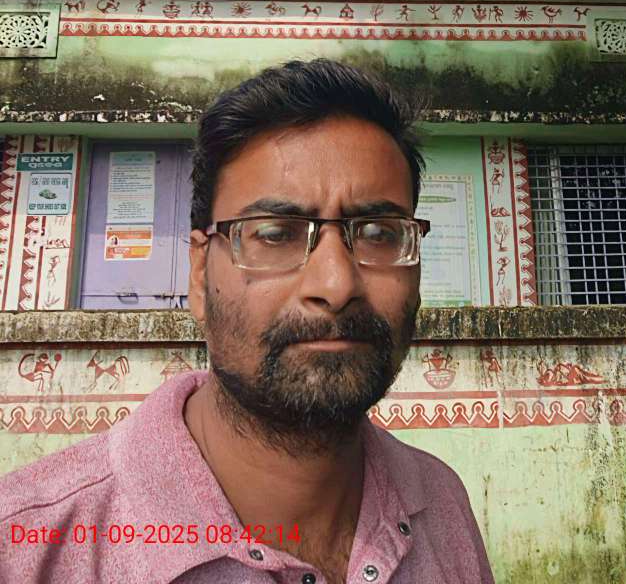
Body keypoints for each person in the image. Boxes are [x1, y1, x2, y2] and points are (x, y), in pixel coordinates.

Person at [0, 59, 495, 584]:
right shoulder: (28, 548)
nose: (336, 285)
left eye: (378, 233)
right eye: (275, 234)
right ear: (199, 274)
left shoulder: (441, 504)